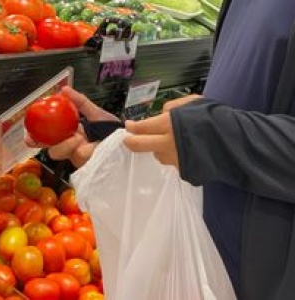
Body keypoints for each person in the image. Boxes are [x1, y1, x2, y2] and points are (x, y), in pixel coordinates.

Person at [26, 0, 295, 298]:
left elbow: (226, 131)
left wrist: (210, 135)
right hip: (206, 253)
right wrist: (122, 139)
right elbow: (247, 108)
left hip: (265, 274)